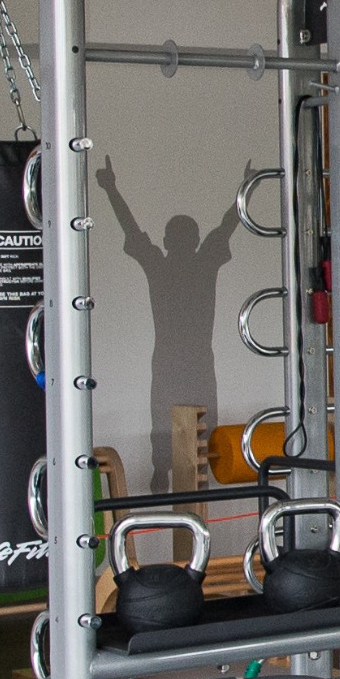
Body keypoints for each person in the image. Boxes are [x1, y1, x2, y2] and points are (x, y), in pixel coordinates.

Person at [97, 156, 251, 469]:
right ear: (196, 241)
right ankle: (171, 472)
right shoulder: (202, 262)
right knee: (190, 432)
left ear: (167, 241)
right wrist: (247, 185)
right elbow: (227, 224)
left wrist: (111, 189)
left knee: (171, 426)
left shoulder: (160, 264)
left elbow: (131, 228)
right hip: (192, 360)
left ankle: (163, 471)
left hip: (173, 360)